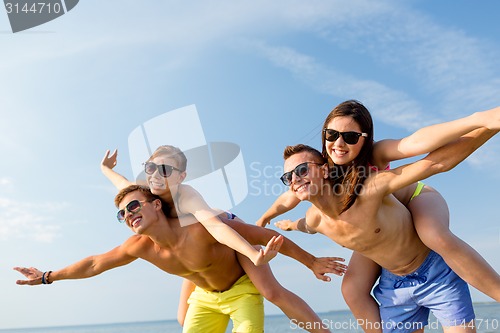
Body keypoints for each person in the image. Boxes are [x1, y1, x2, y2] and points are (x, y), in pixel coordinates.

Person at [259, 101, 500, 332]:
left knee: (433, 234)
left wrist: (483, 122)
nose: (339, 143)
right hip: (387, 248)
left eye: (351, 137)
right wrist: (276, 221)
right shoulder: (319, 184)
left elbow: (423, 151)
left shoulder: (374, 162)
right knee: (352, 288)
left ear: (365, 139)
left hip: (415, 196)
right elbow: (294, 204)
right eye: (332, 135)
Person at [14, 185, 346, 333]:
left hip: (241, 287)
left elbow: (260, 236)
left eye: (134, 206)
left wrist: (311, 262)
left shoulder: (199, 226)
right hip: (204, 296)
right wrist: (46, 276)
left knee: (273, 293)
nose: (129, 214)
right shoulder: (139, 246)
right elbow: (95, 263)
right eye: (122, 213)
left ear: (156, 204)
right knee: (182, 319)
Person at [101, 147, 347, 333]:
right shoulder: (146, 194)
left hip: (227, 230)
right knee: (182, 318)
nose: (155, 174)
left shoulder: (185, 195)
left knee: (271, 292)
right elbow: (122, 184)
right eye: (150, 168)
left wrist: (305, 261)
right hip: (197, 246)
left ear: (180, 176)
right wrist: (106, 169)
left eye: (164, 170)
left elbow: (215, 227)